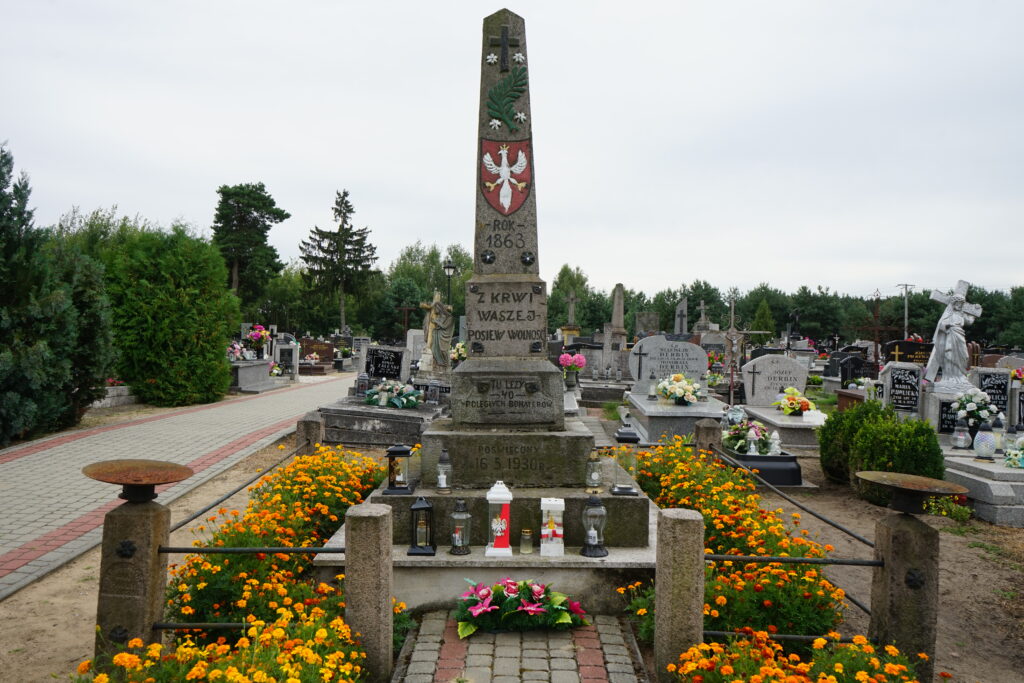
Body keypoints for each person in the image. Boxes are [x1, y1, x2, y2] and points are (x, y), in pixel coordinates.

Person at [924, 295, 975, 388]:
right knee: (949, 356)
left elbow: (970, 321)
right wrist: (948, 325)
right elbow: (941, 325)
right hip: (950, 337)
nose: (959, 306)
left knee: (965, 356)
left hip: (959, 336)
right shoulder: (948, 314)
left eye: (961, 304)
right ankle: (949, 378)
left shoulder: (962, 314)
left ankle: (960, 377)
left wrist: (975, 311)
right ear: (953, 304)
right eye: (958, 304)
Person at [420, 290, 454, 369]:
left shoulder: (448, 317)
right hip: (436, 335)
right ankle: (438, 364)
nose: (435, 310)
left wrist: (436, 321)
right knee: (434, 350)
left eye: (436, 308)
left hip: (443, 336)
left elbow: (444, 326)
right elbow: (422, 305)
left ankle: (445, 363)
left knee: (443, 350)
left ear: (440, 308)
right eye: (434, 308)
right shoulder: (438, 315)